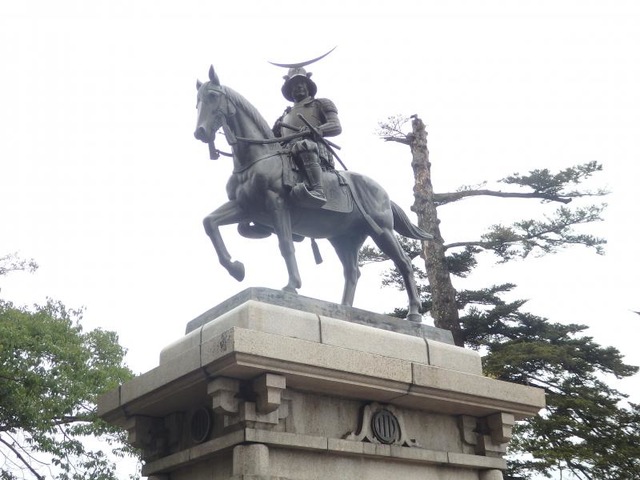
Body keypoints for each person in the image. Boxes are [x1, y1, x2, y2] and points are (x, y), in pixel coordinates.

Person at [273, 67, 342, 206]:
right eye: (293, 85)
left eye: (301, 83)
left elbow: (336, 126)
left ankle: (318, 190)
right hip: (287, 153)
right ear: (289, 90)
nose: (298, 87)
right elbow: (273, 140)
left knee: (304, 146)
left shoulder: (321, 104)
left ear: (308, 86)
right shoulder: (284, 116)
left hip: (314, 149)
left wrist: (316, 130)